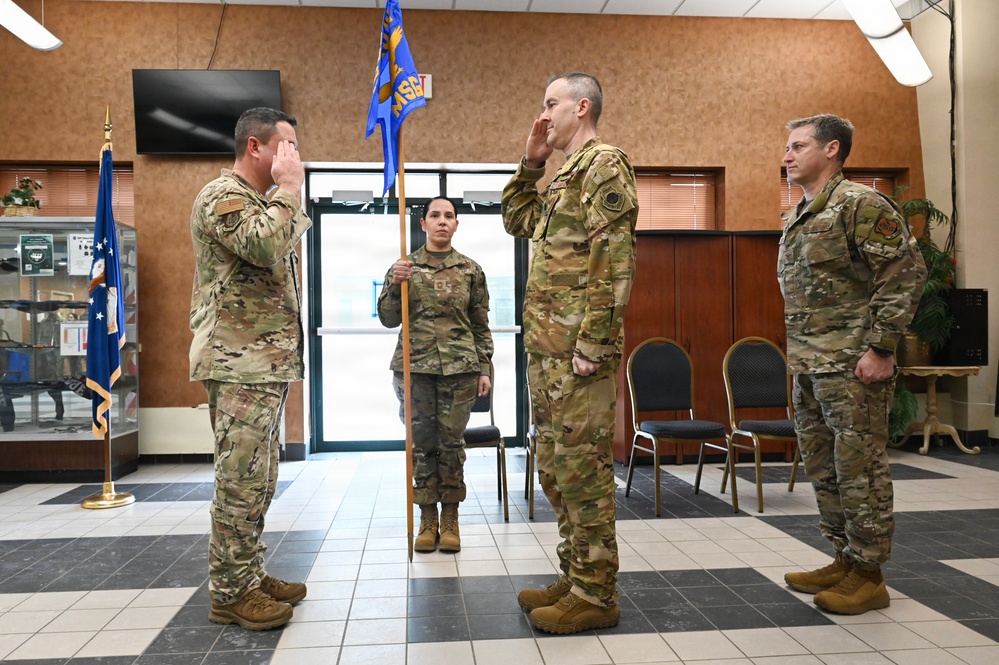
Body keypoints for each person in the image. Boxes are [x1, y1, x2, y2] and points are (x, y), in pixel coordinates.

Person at [501, 72, 638, 634]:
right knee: (557, 469)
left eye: (550, 105)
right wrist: (531, 165)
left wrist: (595, 343)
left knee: (583, 471)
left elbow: (616, 261)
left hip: (578, 352)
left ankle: (597, 593)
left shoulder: (605, 164)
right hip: (547, 351)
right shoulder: (561, 179)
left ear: (581, 108)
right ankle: (577, 572)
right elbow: (517, 220)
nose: (543, 115)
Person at [779, 114, 926, 615]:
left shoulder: (860, 204)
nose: (788, 155)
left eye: (799, 146)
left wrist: (881, 349)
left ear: (832, 150)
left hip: (853, 366)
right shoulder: (800, 213)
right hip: (810, 364)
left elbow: (906, 273)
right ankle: (843, 557)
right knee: (825, 466)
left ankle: (869, 573)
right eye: (788, 146)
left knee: (859, 468)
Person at [189, 107, 311, 631]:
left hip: (265, 362)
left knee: (259, 479)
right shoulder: (223, 196)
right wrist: (289, 190)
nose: (295, 157)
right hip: (238, 362)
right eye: (287, 146)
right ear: (256, 146)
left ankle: (248, 573)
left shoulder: (264, 202)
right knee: (238, 480)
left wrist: (283, 196)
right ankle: (229, 591)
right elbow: (263, 245)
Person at [377, 196, 494, 554]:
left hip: (460, 370)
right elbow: (387, 318)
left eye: (449, 216)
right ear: (423, 223)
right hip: (414, 369)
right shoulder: (404, 267)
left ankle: (451, 519)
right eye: (435, 215)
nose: (442, 221)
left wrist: (485, 367)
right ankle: (427, 519)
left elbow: (480, 324)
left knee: (451, 445)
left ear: (456, 224)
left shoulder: (471, 270)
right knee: (421, 445)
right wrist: (396, 284)